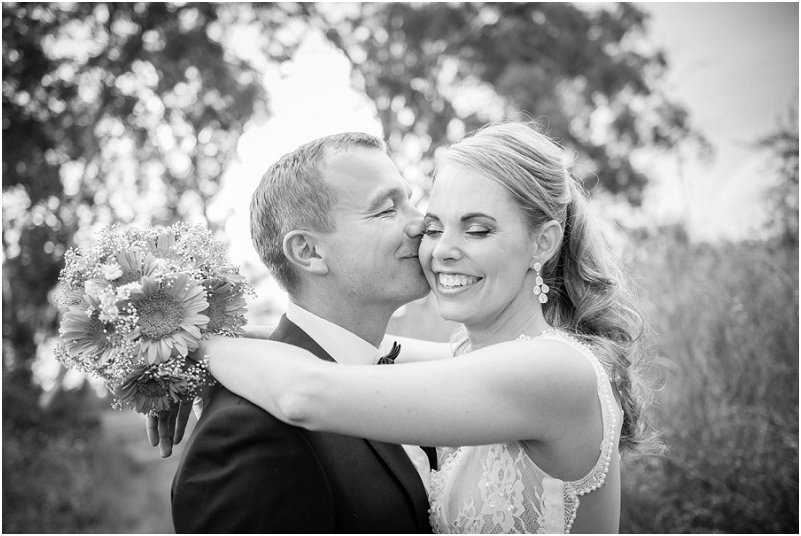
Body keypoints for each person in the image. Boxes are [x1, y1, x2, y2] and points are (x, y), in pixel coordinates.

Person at [182, 121, 654, 533]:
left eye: (477, 229)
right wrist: (182, 361)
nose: (436, 245)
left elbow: (306, 391)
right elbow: (367, 352)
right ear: (307, 251)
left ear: (543, 243)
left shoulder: (550, 371)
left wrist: (193, 342)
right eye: (434, 225)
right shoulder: (473, 360)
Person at [166, 132, 437, 533]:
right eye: (386, 209)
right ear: (308, 252)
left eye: (410, 201)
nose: (422, 223)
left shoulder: (397, 374)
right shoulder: (248, 433)